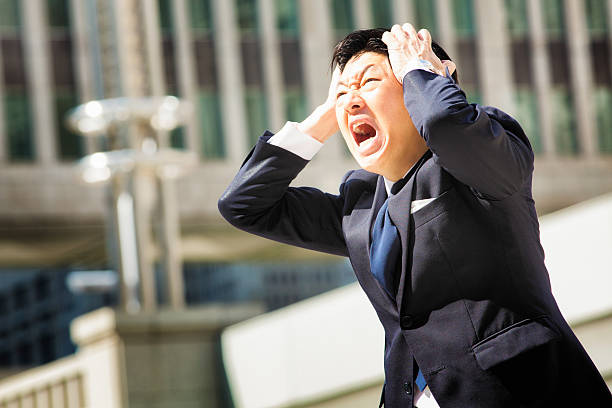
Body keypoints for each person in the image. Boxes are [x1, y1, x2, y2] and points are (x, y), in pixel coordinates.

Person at [218, 24, 612, 407]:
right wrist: (329, 111)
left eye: (371, 82)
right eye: (343, 92)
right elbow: (244, 204)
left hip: (520, 390)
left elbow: (444, 123)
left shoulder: (481, 158)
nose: (353, 99)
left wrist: (422, 72)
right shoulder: (359, 206)